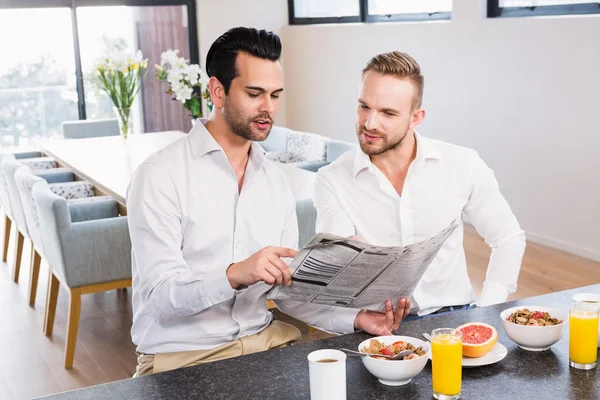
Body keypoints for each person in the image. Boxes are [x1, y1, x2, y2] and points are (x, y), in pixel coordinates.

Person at [127, 28, 410, 377]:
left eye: (275, 95)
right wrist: (234, 274)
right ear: (218, 91)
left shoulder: (274, 180)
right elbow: (159, 300)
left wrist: (354, 318)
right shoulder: (159, 175)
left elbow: (285, 291)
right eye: (254, 93)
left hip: (264, 344)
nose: (269, 108)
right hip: (183, 359)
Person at [314, 51, 526, 321]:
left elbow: (507, 238)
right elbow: (335, 262)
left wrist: (488, 312)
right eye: (364, 106)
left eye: (388, 113)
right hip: (379, 325)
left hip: (456, 316)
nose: (369, 123)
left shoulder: (462, 164)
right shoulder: (331, 179)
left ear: (416, 118)